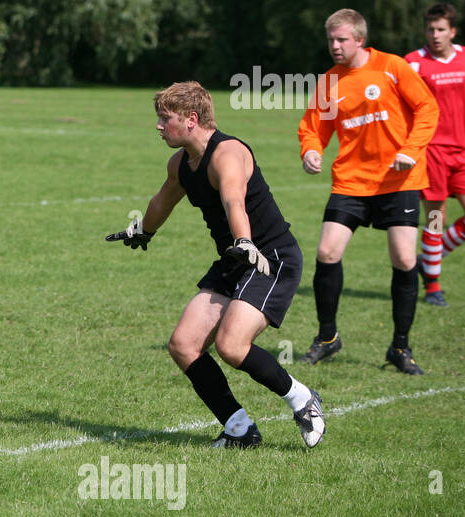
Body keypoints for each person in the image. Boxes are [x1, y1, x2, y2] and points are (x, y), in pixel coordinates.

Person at [106, 82, 326, 449]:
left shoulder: (228, 153)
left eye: (166, 119)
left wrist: (243, 241)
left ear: (192, 120)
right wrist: (144, 229)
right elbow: (163, 200)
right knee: (183, 345)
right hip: (235, 260)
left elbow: (233, 202)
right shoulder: (181, 164)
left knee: (232, 345)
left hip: (269, 258)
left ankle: (303, 399)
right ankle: (239, 429)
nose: (159, 126)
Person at [297, 8, 439, 375]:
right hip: (352, 182)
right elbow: (313, 127)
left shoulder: (392, 67)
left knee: (405, 260)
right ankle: (327, 337)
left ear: (360, 39)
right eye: (330, 39)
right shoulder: (329, 82)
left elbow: (427, 108)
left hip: (399, 181)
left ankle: (400, 347)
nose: (335, 46)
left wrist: (410, 150)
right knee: (327, 251)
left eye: (341, 39)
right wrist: (311, 150)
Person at [402, 3, 465, 306]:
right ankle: (433, 287)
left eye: (441, 30)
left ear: (452, 31)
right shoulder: (414, 63)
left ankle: (427, 260)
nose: (435, 35)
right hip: (432, 151)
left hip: (462, 150)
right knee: (436, 219)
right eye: (430, 30)